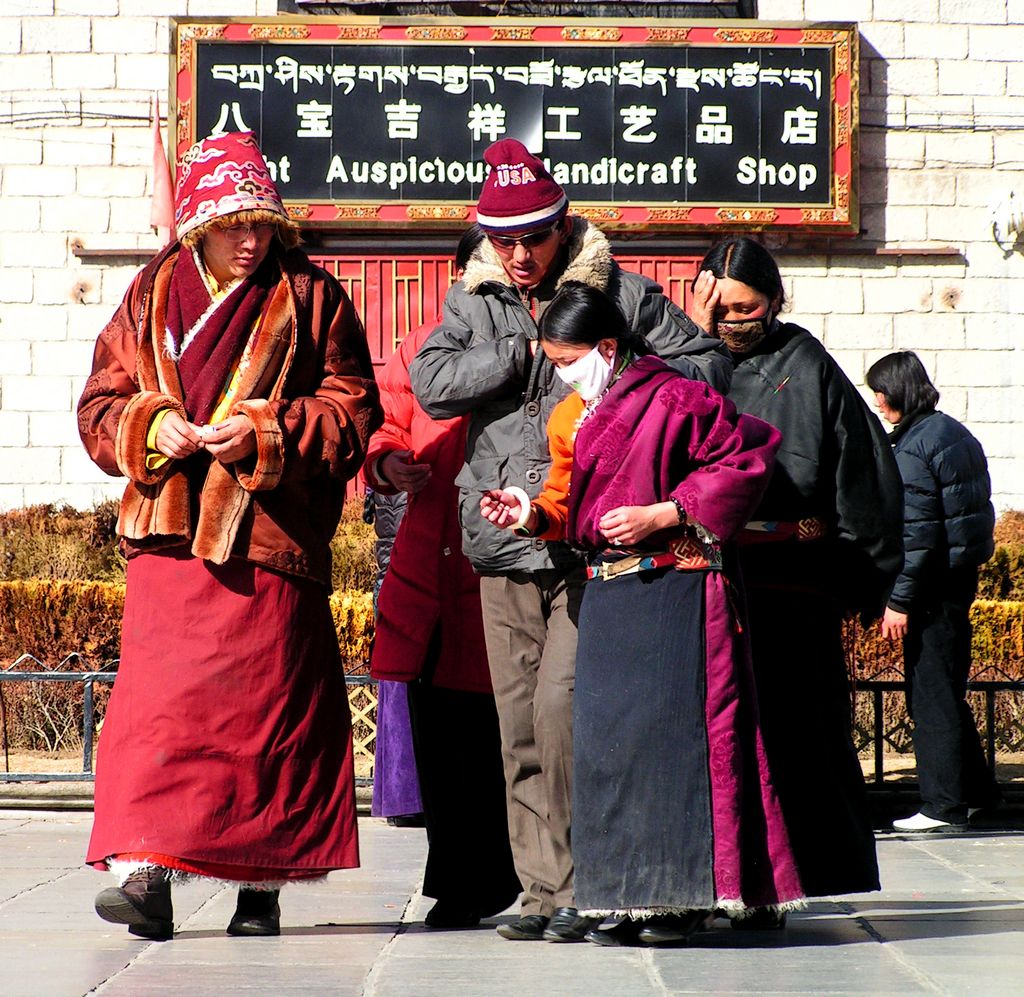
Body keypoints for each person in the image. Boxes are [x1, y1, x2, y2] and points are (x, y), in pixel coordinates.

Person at [409, 138, 730, 943]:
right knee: (517, 724)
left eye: (533, 238)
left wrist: (619, 377)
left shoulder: (617, 290)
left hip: (592, 544)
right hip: (501, 541)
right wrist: (518, 353)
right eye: (503, 239)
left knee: (564, 709)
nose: (517, 255)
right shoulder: (474, 297)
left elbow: (708, 367)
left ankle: (600, 878)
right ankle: (545, 889)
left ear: (563, 226)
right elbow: (431, 384)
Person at [76, 130, 382, 940]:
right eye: (233, 226)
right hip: (170, 542)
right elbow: (98, 409)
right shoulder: (149, 294)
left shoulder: (312, 297)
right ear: (197, 228)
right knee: (156, 716)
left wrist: (267, 431)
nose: (250, 242)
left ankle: (262, 879)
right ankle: (145, 871)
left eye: (262, 226)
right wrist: (151, 424)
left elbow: (353, 412)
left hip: (267, 543)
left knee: (263, 723)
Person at [479, 283, 803, 946]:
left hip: (676, 590)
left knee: (670, 748)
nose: (563, 373)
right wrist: (529, 511)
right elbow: (566, 506)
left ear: (605, 346)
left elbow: (748, 456)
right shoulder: (572, 417)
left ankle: (679, 898)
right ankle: (624, 898)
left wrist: (669, 510)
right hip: (609, 592)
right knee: (613, 752)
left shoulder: (675, 395)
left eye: (569, 359)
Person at [688, 237, 903, 920]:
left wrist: (867, 576)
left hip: (791, 585)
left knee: (791, 738)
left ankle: (781, 883)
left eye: (746, 309)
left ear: (774, 301)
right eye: (718, 310)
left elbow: (862, 470)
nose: (732, 323)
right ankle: (703, 881)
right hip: (708, 582)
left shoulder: (804, 360)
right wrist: (695, 344)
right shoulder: (681, 360)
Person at [365, 225, 521, 930]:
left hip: (499, 568)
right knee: (442, 743)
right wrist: (388, 459)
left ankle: (516, 874)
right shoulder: (423, 348)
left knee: (501, 739)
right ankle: (458, 878)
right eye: (473, 272)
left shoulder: (535, 343)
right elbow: (385, 419)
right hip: (429, 572)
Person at [866, 351, 1000, 832]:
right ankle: (978, 794)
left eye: (880, 391)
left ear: (896, 391)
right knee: (947, 689)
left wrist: (899, 601)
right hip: (955, 581)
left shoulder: (916, 447)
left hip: (930, 589)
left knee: (932, 696)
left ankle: (941, 806)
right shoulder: (950, 433)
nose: (877, 402)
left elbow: (917, 535)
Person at [364, 485, 425, 828]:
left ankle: (401, 796)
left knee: (398, 683)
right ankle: (409, 796)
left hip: (390, 578)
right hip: (407, 577)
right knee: (407, 683)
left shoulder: (385, 467)